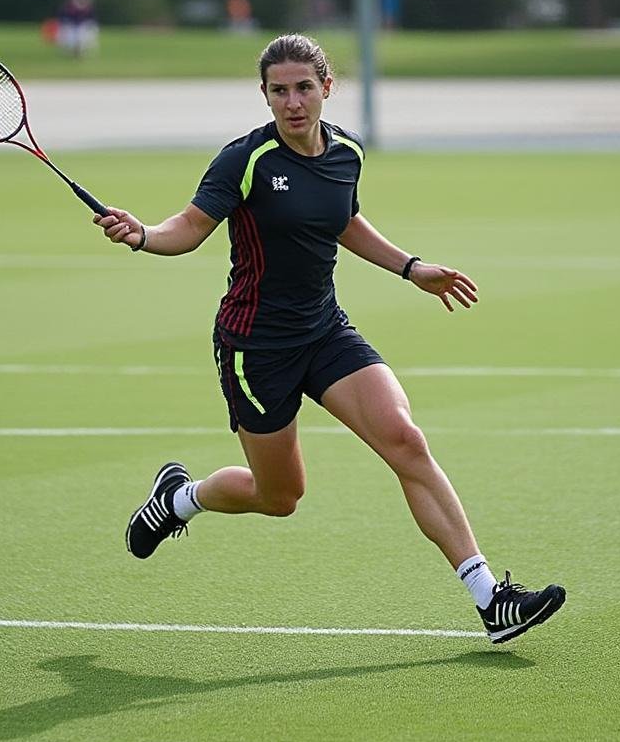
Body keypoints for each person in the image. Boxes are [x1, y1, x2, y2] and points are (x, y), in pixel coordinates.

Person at [93, 34, 565, 644]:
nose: (292, 102)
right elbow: (187, 228)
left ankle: (490, 598)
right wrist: (141, 234)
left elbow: (342, 219)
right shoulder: (245, 160)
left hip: (324, 329)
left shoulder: (347, 151)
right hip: (254, 346)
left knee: (406, 440)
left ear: (326, 88)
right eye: (279, 90)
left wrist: (410, 267)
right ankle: (180, 500)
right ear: (264, 95)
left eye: (303, 88)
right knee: (280, 495)